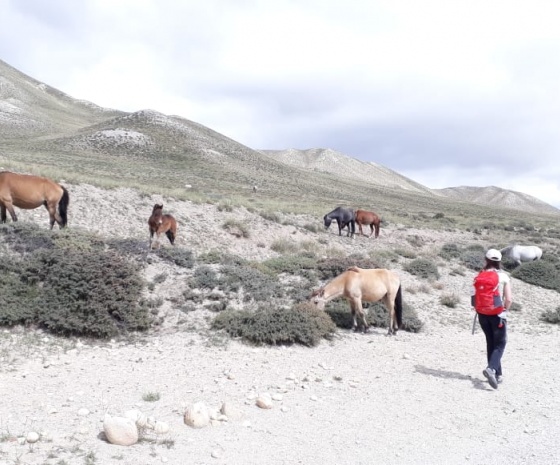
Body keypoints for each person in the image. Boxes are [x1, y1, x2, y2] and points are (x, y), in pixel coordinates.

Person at [474, 248, 513, 389]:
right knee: (500, 344)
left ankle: (497, 374)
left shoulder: (480, 275)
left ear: (486, 260)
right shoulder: (503, 276)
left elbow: (474, 296)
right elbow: (508, 299)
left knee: (491, 342)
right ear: (499, 262)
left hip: (482, 314)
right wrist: (505, 311)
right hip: (497, 314)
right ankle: (491, 369)